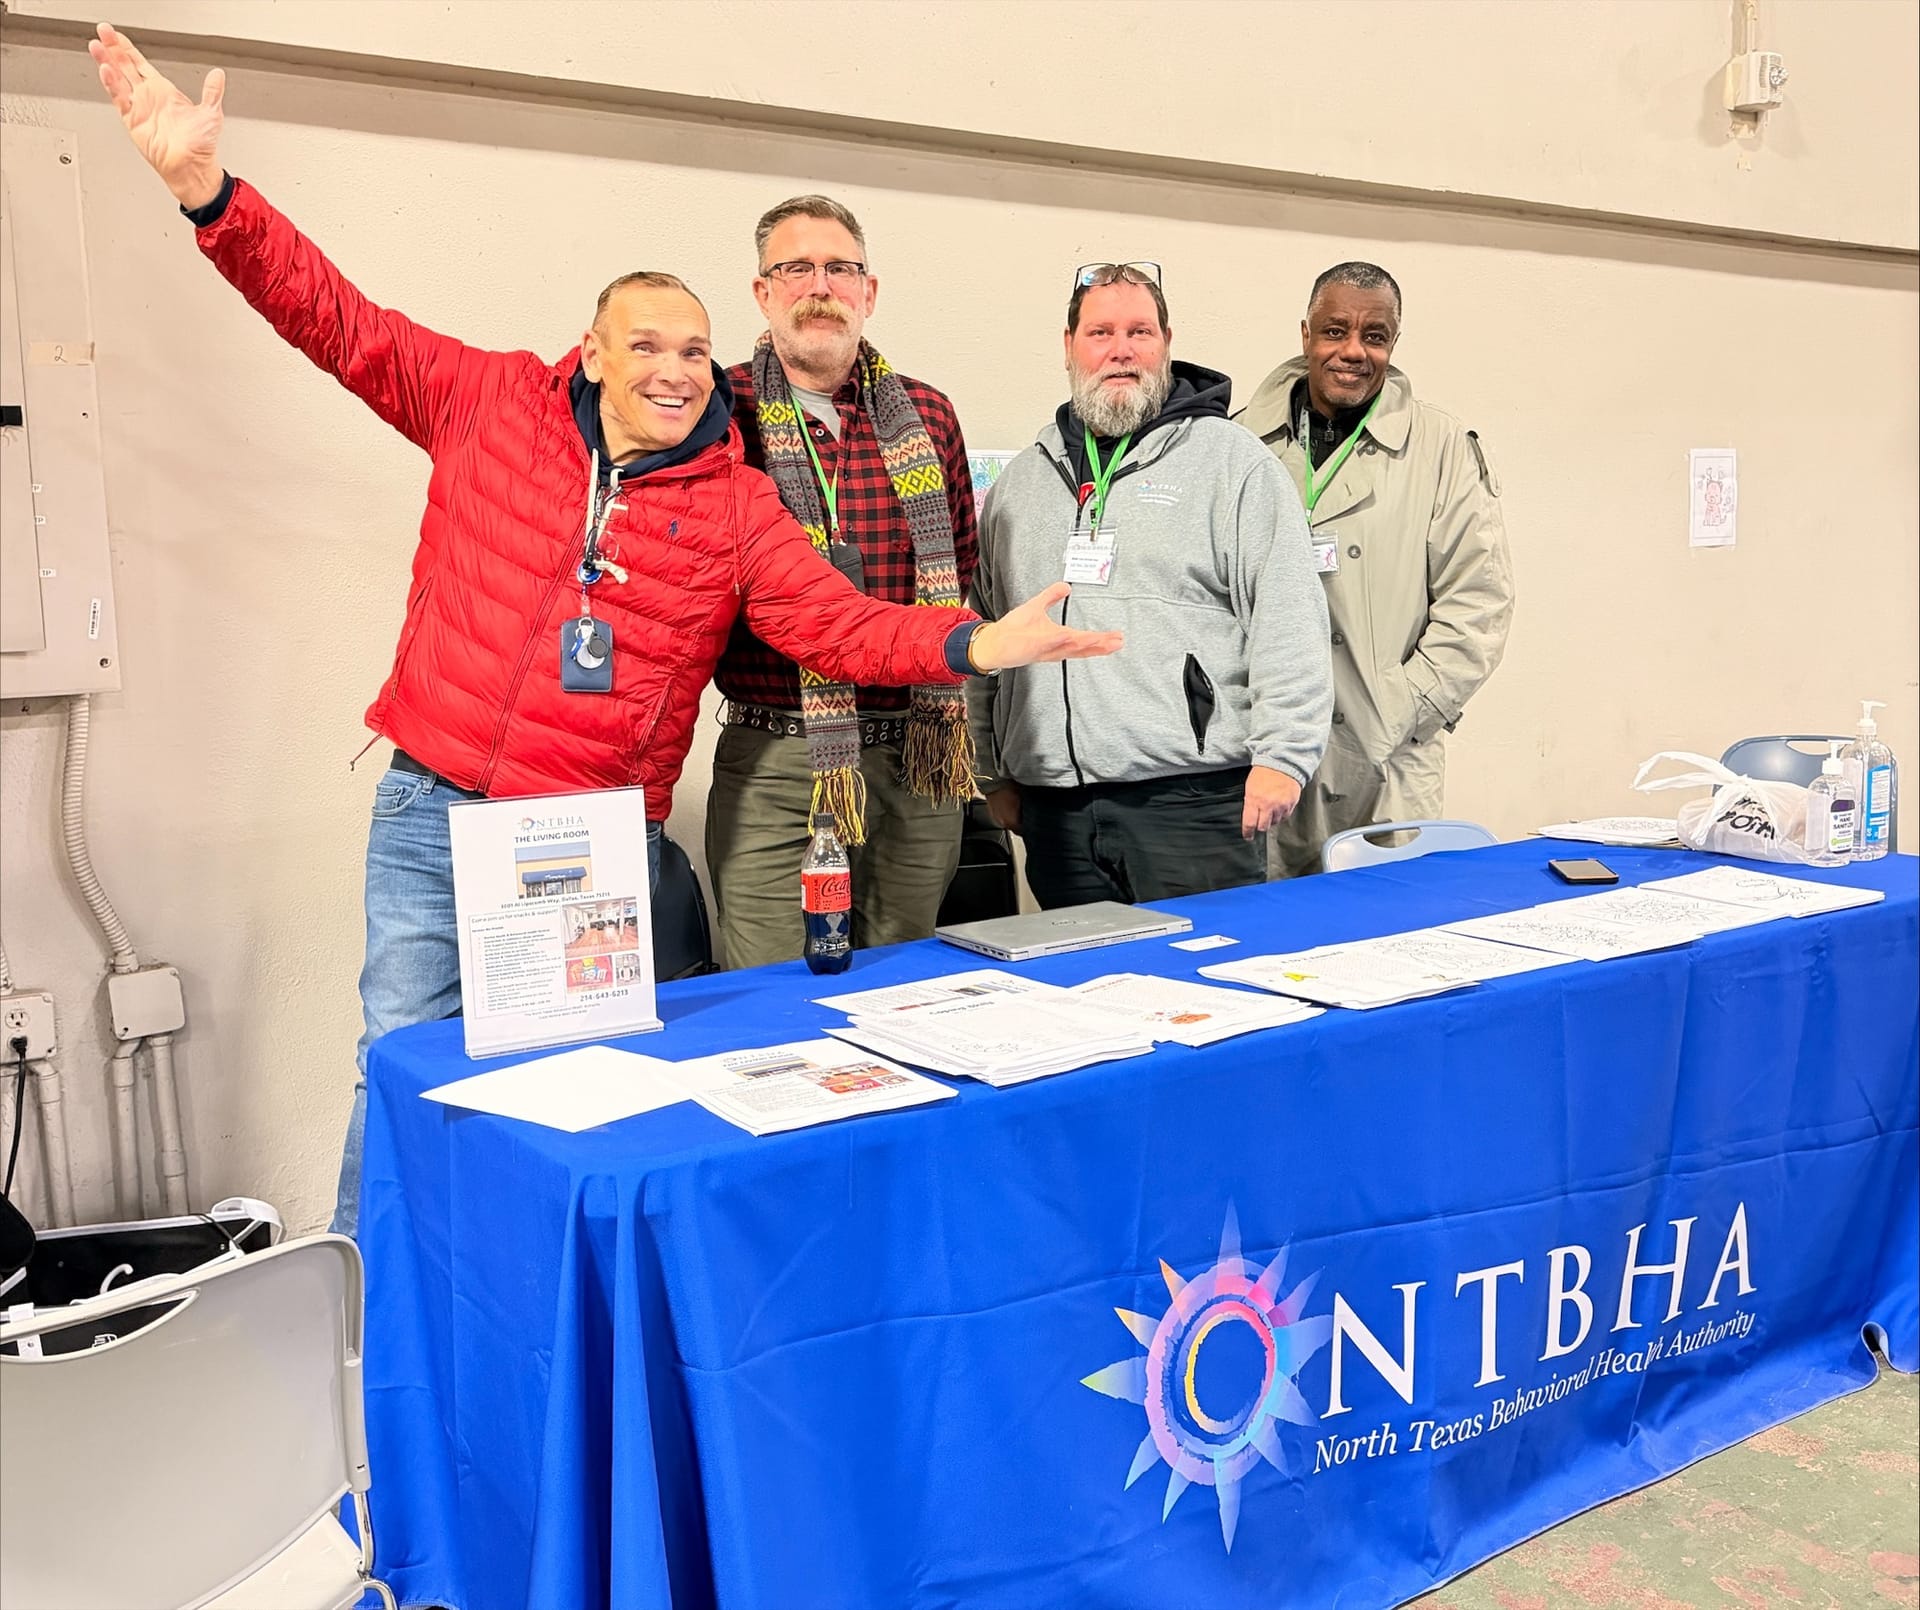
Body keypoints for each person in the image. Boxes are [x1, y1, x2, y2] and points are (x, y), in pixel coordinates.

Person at [87, 25, 1121, 1232]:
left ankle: (540, 1308)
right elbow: (335, 319)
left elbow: (835, 623)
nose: (676, 370)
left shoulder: (737, 501)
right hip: (438, 813)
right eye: (647, 345)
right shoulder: (489, 403)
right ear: (594, 350)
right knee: (403, 1068)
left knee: (580, 1101)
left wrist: (972, 646)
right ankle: (367, 1322)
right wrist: (207, 193)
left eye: (692, 350)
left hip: (586, 844)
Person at [969, 263, 1331, 908]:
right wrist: (990, 769)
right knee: (1085, 998)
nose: (1120, 349)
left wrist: (1284, 757)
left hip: (1193, 802)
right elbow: (986, 637)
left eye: (1140, 331)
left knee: (1210, 994)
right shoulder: (1020, 486)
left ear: (1166, 342)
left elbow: (1289, 618)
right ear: (1068, 346)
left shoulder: (1233, 463)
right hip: (1054, 811)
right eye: (1100, 332)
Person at [707, 196, 977, 970]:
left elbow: (960, 569)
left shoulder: (929, 413)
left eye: (839, 268)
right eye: (794, 268)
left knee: (909, 983)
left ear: (869, 291)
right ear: (763, 293)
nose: (818, 286)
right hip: (776, 755)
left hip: (919, 756)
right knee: (770, 989)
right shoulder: (723, 413)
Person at [1237, 262, 1512, 877]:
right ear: (1305, 333)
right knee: (1268, 944)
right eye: (1335, 331)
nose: (1353, 352)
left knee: (1384, 938)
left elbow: (1480, 604)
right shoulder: (1238, 445)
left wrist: (1400, 708)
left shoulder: (1440, 447)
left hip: (1389, 758)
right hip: (1264, 756)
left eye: (1375, 336)